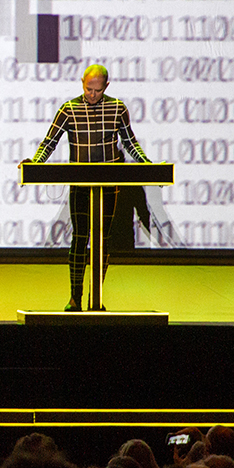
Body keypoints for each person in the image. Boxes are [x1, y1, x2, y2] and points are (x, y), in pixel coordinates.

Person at [24, 64, 151, 311]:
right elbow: (49, 141)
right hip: (80, 183)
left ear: (107, 86)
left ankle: (97, 298)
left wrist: (146, 164)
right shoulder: (69, 109)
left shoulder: (117, 108)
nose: (92, 95)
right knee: (80, 238)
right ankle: (75, 297)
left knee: (103, 239)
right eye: (88, 89)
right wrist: (36, 162)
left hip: (108, 184)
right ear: (82, 82)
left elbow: (129, 141)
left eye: (97, 90)